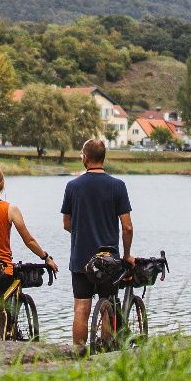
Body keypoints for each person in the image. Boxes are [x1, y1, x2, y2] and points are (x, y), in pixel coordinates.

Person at [0, 165, 56, 338]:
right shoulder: (11, 210)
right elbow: (29, 240)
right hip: (1, 271)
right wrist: (45, 257)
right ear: (2, 185)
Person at [60, 138, 133, 350]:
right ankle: (106, 351)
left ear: (85, 157)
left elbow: (66, 224)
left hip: (81, 259)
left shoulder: (73, 186)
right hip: (109, 260)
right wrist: (126, 255)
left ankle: (79, 354)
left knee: (81, 308)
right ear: (103, 158)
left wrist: (82, 233)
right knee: (107, 307)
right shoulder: (118, 186)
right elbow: (127, 227)